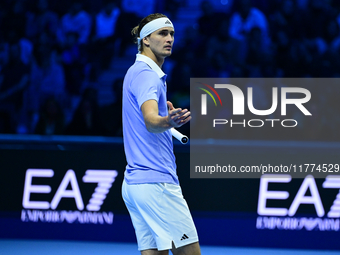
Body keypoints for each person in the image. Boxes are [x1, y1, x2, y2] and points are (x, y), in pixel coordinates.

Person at [121, 13, 201, 255]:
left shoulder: (138, 72)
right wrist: (167, 120)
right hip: (156, 184)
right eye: (162, 33)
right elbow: (150, 121)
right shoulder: (147, 75)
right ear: (146, 39)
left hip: (135, 185)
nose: (170, 39)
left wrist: (167, 121)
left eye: (172, 34)